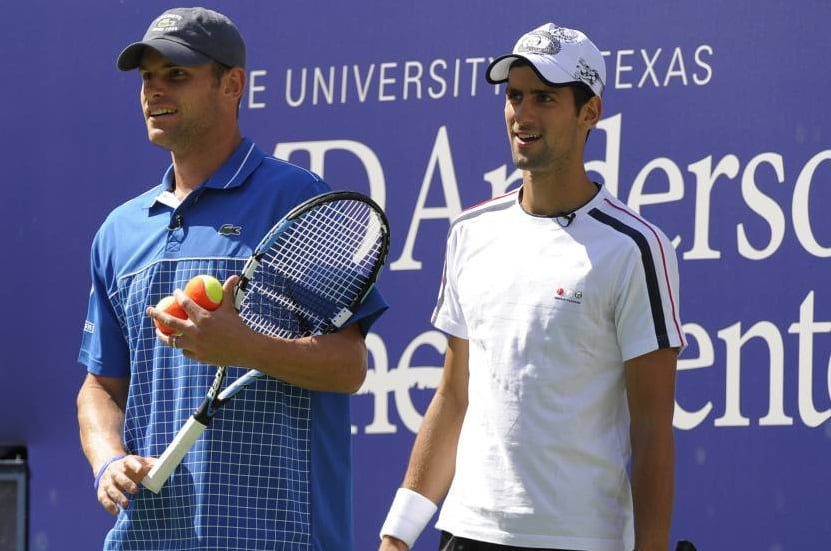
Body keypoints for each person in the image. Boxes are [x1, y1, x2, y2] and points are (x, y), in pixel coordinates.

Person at [76, 7, 387, 550]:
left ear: (232, 84)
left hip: (279, 536)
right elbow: (100, 387)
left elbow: (349, 365)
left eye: (177, 74)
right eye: (148, 76)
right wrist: (108, 461)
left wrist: (243, 345)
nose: (155, 90)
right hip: (149, 537)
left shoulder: (294, 199)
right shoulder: (118, 232)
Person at [378, 22, 684, 551]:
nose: (523, 113)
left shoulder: (636, 247)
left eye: (544, 97)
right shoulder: (470, 232)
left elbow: (653, 429)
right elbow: (454, 396)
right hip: (466, 532)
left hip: (580, 540)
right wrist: (399, 534)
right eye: (515, 96)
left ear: (590, 113)